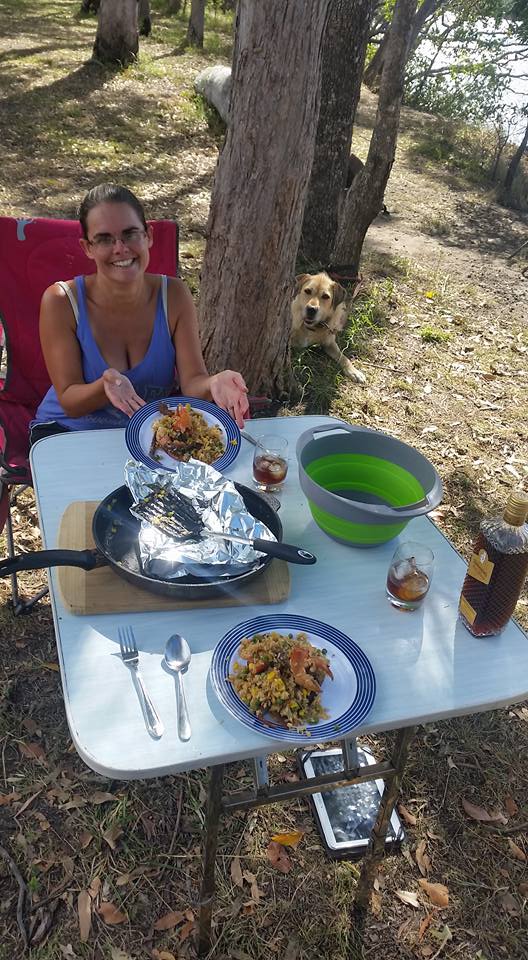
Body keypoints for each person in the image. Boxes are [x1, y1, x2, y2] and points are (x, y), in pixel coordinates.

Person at [32, 183, 249, 443]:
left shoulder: (174, 295)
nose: (120, 248)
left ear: (148, 236)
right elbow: (70, 402)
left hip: (146, 437)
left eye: (130, 234)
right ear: (87, 247)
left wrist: (214, 383)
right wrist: (105, 386)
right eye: (104, 239)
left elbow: (192, 382)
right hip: (67, 433)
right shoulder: (61, 301)